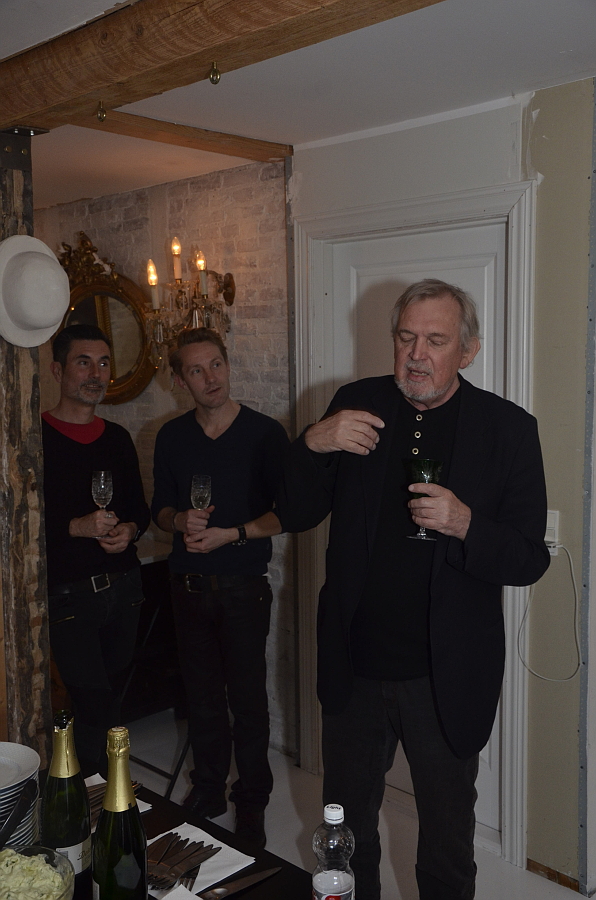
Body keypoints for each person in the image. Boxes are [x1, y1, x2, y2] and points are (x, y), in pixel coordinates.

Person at [277, 279, 550, 900]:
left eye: (435, 341)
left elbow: (529, 558)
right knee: (347, 837)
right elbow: (295, 512)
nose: (416, 355)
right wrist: (313, 442)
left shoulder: (508, 430)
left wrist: (466, 523)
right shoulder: (356, 404)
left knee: (447, 845)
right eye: (406, 338)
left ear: (469, 350)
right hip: (355, 667)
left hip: (445, 676)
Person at [151, 327, 289, 848]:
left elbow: (285, 515)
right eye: (196, 369)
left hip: (243, 588)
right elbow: (159, 509)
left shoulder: (265, 434)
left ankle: (251, 802)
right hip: (187, 586)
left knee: (248, 702)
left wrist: (232, 534)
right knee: (202, 697)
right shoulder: (171, 436)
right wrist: (178, 519)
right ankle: (208, 790)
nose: (210, 378)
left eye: (216, 365)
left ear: (228, 365)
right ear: (180, 379)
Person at [42, 323, 150, 774]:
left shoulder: (117, 437)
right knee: (93, 706)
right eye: (83, 362)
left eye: (103, 363)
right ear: (57, 370)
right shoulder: (34, 437)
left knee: (112, 706)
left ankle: (104, 793)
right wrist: (75, 526)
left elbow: (140, 511)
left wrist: (129, 530)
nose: (96, 373)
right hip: (69, 598)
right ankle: (95, 795)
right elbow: (19, 524)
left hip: (124, 591)